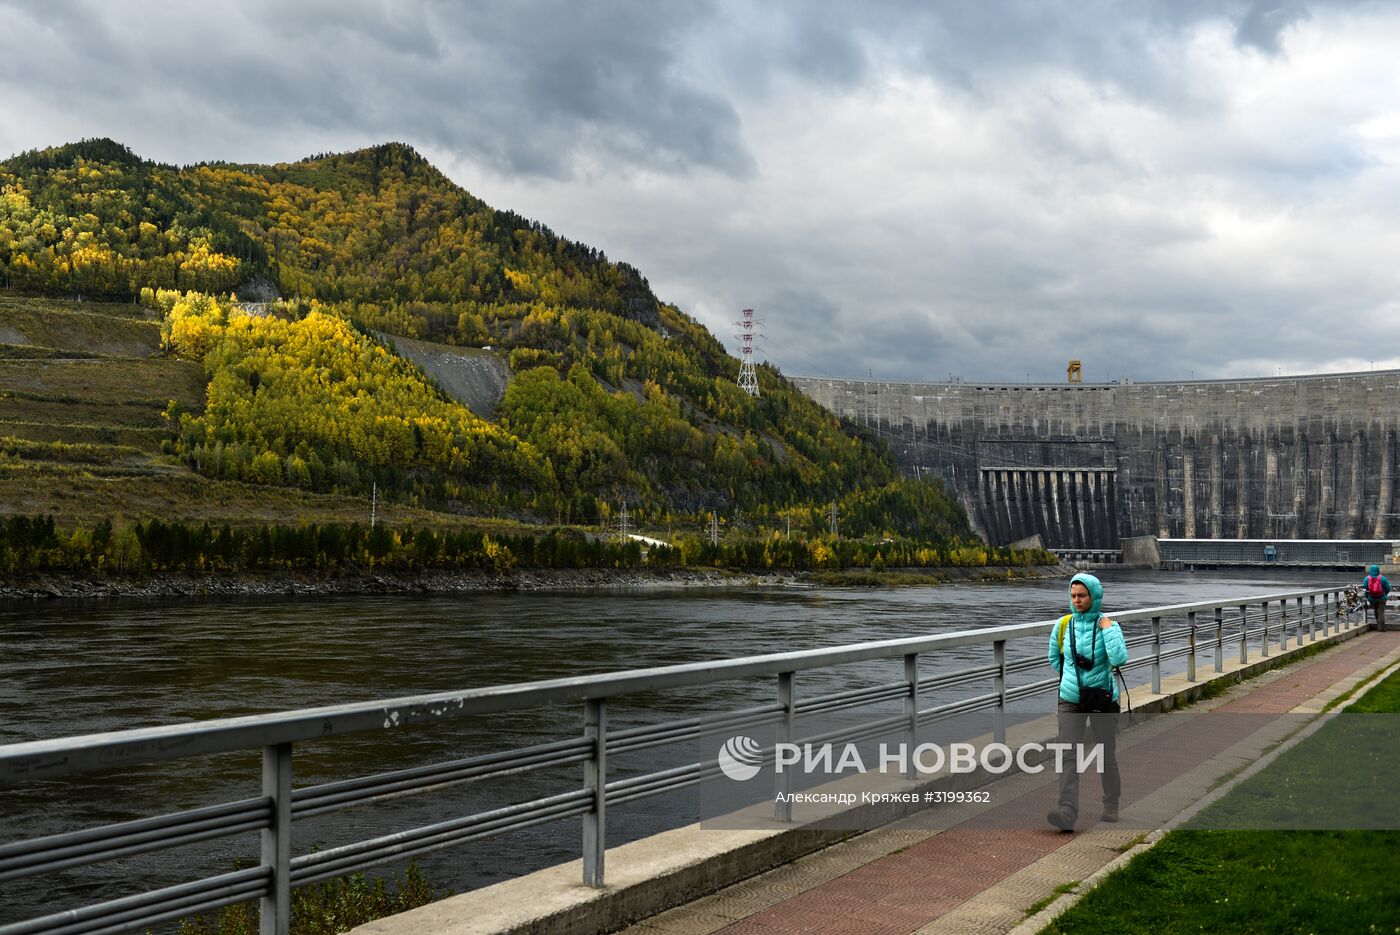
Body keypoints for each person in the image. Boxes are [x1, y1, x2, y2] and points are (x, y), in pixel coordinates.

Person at [1046, 572, 1128, 831]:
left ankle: (1111, 804)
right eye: (1073, 596)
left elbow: (1118, 659)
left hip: (1102, 698)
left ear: (1094, 596)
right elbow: (1054, 659)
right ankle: (1067, 812)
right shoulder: (1062, 625)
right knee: (1068, 754)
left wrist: (1108, 631)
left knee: (1105, 755)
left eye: (1082, 595)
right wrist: (1071, 678)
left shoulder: (1109, 625)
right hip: (1071, 698)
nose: (1077, 600)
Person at [1363, 564, 1391, 632]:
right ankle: (1381, 628)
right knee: (1381, 613)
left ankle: (1379, 625)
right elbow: (1388, 588)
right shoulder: (1382, 578)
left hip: (1372, 598)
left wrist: (1366, 597)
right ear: (1378, 570)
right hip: (1382, 598)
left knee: (1375, 612)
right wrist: (1384, 594)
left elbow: (1366, 589)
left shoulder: (1367, 579)